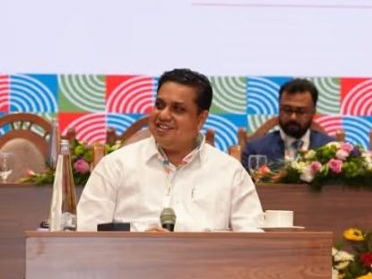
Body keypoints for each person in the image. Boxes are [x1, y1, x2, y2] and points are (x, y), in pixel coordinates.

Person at [77, 68, 264, 232]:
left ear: (201, 118)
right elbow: (86, 233)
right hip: (129, 261)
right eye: (159, 105)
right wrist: (141, 242)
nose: (163, 115)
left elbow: (252, 240)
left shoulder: (230, 172)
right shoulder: (116, 165)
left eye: (178, 109)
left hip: (204, 262)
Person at [241, 78, 334, 168]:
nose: (293, 117)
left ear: (313, 112)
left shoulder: (332, 149)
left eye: (301, 111)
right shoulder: (256, 149)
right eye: (287, 110)